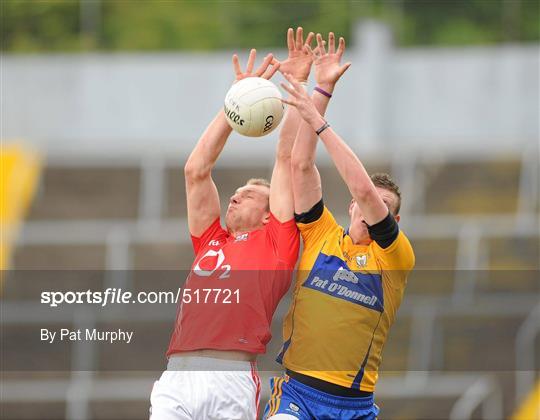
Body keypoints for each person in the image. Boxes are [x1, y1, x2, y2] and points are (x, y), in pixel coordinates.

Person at [150, 28, 317, 420]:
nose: (235, 195)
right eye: (236, 190)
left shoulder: (277, 242)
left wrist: (297, 83)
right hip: (177, 376)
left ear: (268, 212)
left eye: (249, 193)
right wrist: (233, 105)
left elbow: (284, 160)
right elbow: (196, 170)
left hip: (230, 379)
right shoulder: (212, 240)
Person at [264, 33, 415, 419]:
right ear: (349, 208)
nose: (370, 207)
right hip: (297, 391)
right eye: (365, 204)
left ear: (393, 221)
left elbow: (364, 188)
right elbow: (300, 165)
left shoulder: (394, 257)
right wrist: (322, 87)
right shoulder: (320, 233)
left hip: (353, 404)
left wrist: (319, 122)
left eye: (383, 207)